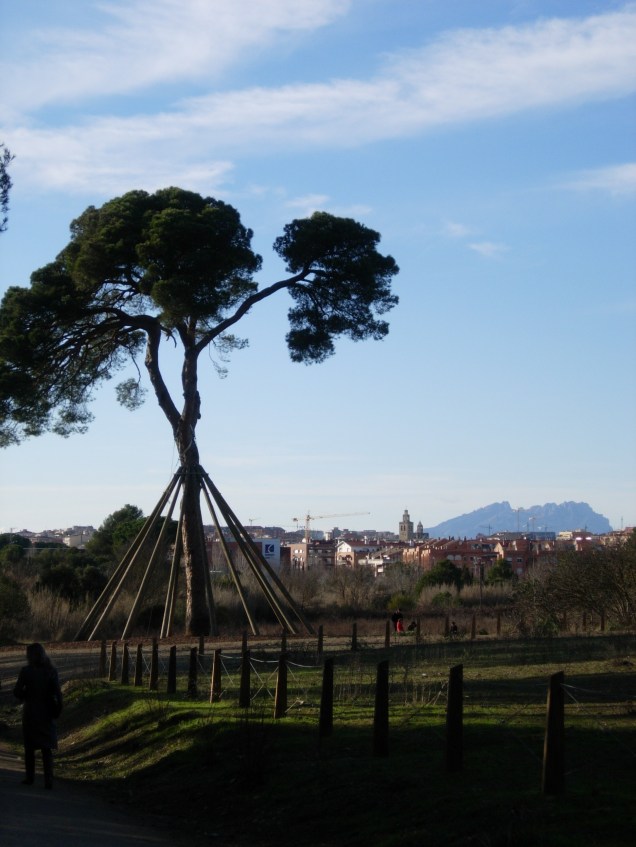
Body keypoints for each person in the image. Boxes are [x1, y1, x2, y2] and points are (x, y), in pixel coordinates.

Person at [13, 643, 62, 789]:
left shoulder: (26, 671)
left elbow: (17, 691)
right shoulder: (51, 671)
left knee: (30, 747)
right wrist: (58, 709)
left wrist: (25, 694)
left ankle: (30, 777)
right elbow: (57, 693)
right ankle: (48, 779)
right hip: (46, 712)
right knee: (46, 748)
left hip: (31, 712)